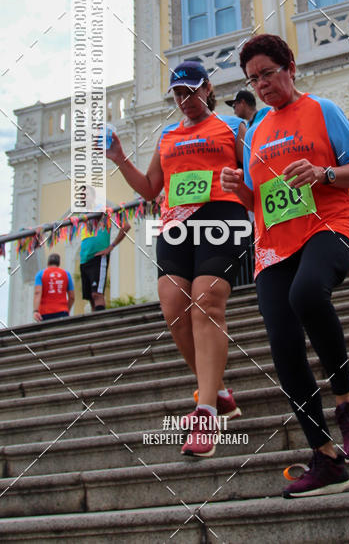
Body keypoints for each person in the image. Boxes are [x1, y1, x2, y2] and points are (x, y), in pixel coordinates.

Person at [221, 34, 349, 498]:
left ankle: (348, 404)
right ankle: (326, 460)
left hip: (331, 225)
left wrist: (322, 173)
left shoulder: (322, 109)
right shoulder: (256, 133)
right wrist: (236, 186)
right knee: (284, 347)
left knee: (307, 293)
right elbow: (257, 202)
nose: (262, 84)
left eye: (268, 73)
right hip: (274, 245)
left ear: (291, 66)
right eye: (253, 78)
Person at [106, 58, 252, 458]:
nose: (186, 99)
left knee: (206, 302)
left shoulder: (234, 126)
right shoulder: (167, 135)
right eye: (178, 93)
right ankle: (219, 393)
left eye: (192, 90)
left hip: (222, 217)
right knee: (173, 305)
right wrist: (120, 158)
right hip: (176, 224)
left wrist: (240, 185)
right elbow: (152, 188)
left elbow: (255, 175)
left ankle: (205, 412)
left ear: (207, 89)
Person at [79, 208, 131, 312]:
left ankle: (101, 323)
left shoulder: (105, 215)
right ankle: (95, 324)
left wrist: (111, 246)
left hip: (98, 257)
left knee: (97, 294)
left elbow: (126, 226)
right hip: (84, 260)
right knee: (90, 297)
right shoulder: (84, 217)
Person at [33, 253, 75, 321]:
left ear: (48, 263)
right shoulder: (66, 274)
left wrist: (35, 311)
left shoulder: (40, 274)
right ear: (59, 263)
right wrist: (67, 309)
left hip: (45, 312)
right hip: (62, 311)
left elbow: (37, 292)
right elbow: (72, 297)